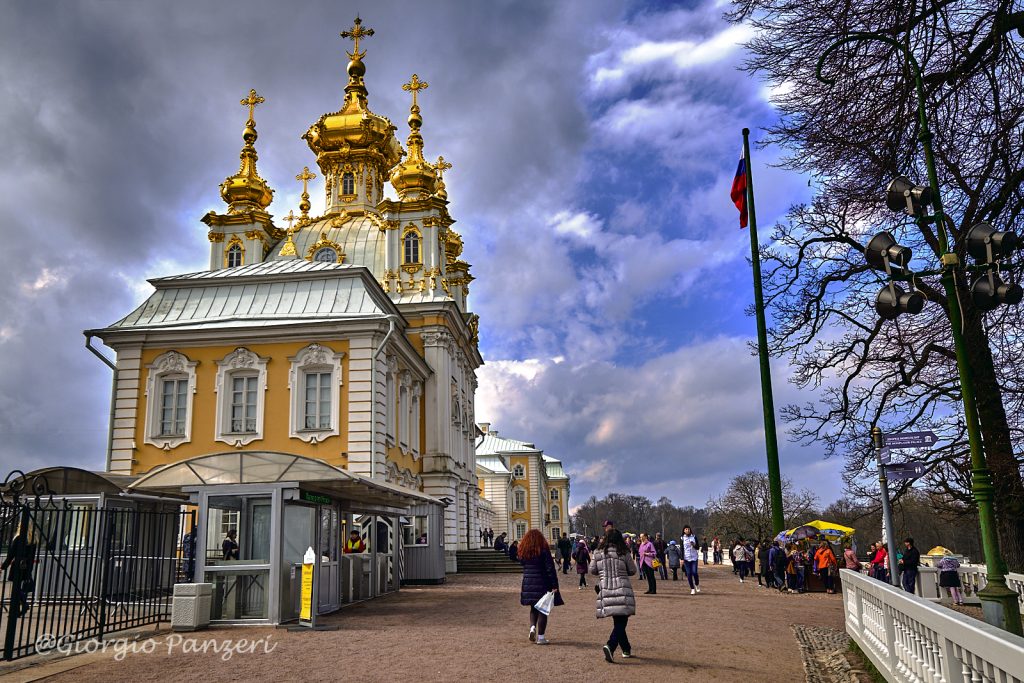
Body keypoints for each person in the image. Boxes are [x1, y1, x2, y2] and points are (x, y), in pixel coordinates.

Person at [590, 529, 638, 662]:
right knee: (622, 620)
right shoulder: (624, 552)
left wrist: (603, 573)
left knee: (618, 620)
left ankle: (626, 649)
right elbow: (633, 570)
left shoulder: (598, 552)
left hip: (605, 587)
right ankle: (611, 645)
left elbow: (592, 569)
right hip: (622, 587)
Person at [518, 529, 562, 645]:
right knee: (543, 610)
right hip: (542, 582)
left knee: (533, 608)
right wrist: (554, 585)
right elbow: (550, 568)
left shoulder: (524, 550)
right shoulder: (543, 549)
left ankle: (532, 627)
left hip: (528, 581)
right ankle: (541, 637)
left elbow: (521, 563)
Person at [681, 525, 700, 594]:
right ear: (684, 530)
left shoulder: (694, 537)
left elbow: (698, 547)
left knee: (694, 572)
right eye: (686, 529)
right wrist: (682, 558)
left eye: (688, 529)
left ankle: (697, 584)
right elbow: (681, 549)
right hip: (686, 558)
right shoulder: (682, 538)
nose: (687, 530)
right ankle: (692, 588)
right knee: (688, 574)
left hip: (694, 558)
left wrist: (694, 545)